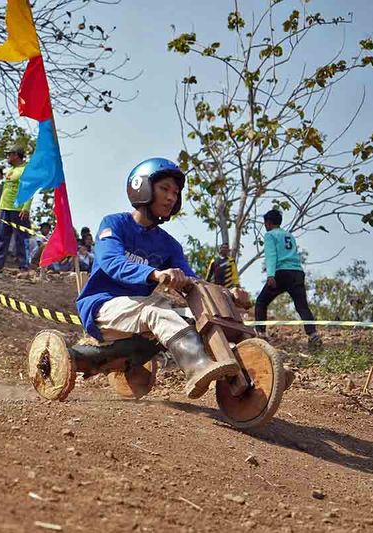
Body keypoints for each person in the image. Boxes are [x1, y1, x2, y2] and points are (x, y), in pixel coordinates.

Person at [75, 157, 239, 399]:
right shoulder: (114, 224)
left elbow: (192, 280)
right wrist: (155, 274)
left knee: (194, 315)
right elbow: (111, 262)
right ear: (142, 187)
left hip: (137, 316)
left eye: (176, 192)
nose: (172, 197)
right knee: (156, 309)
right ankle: (197, 367)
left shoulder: (169, 245)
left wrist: (227, 293)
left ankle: (245, 362)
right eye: (165, 189)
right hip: (102, 308)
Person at [254, 209, 322, 349]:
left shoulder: (270, 235)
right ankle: (313, 334)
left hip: (281, 273)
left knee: (261, 302)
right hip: (297, 272)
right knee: (302, 306)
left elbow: (271, 255)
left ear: (268, 223)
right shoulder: (289, 235)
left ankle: (261, 334)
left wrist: (271, 275)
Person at [0, 147, 32, 274]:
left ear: (16, 155)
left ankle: (24, 266)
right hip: (5, 209)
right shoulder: (9, 171)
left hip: (18, 209)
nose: (7, 158)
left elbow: (29, 189)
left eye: (9, 155)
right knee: (1, 237)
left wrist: (26, 208)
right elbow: (5, 191)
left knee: (20, 238)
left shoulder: (26, 169)